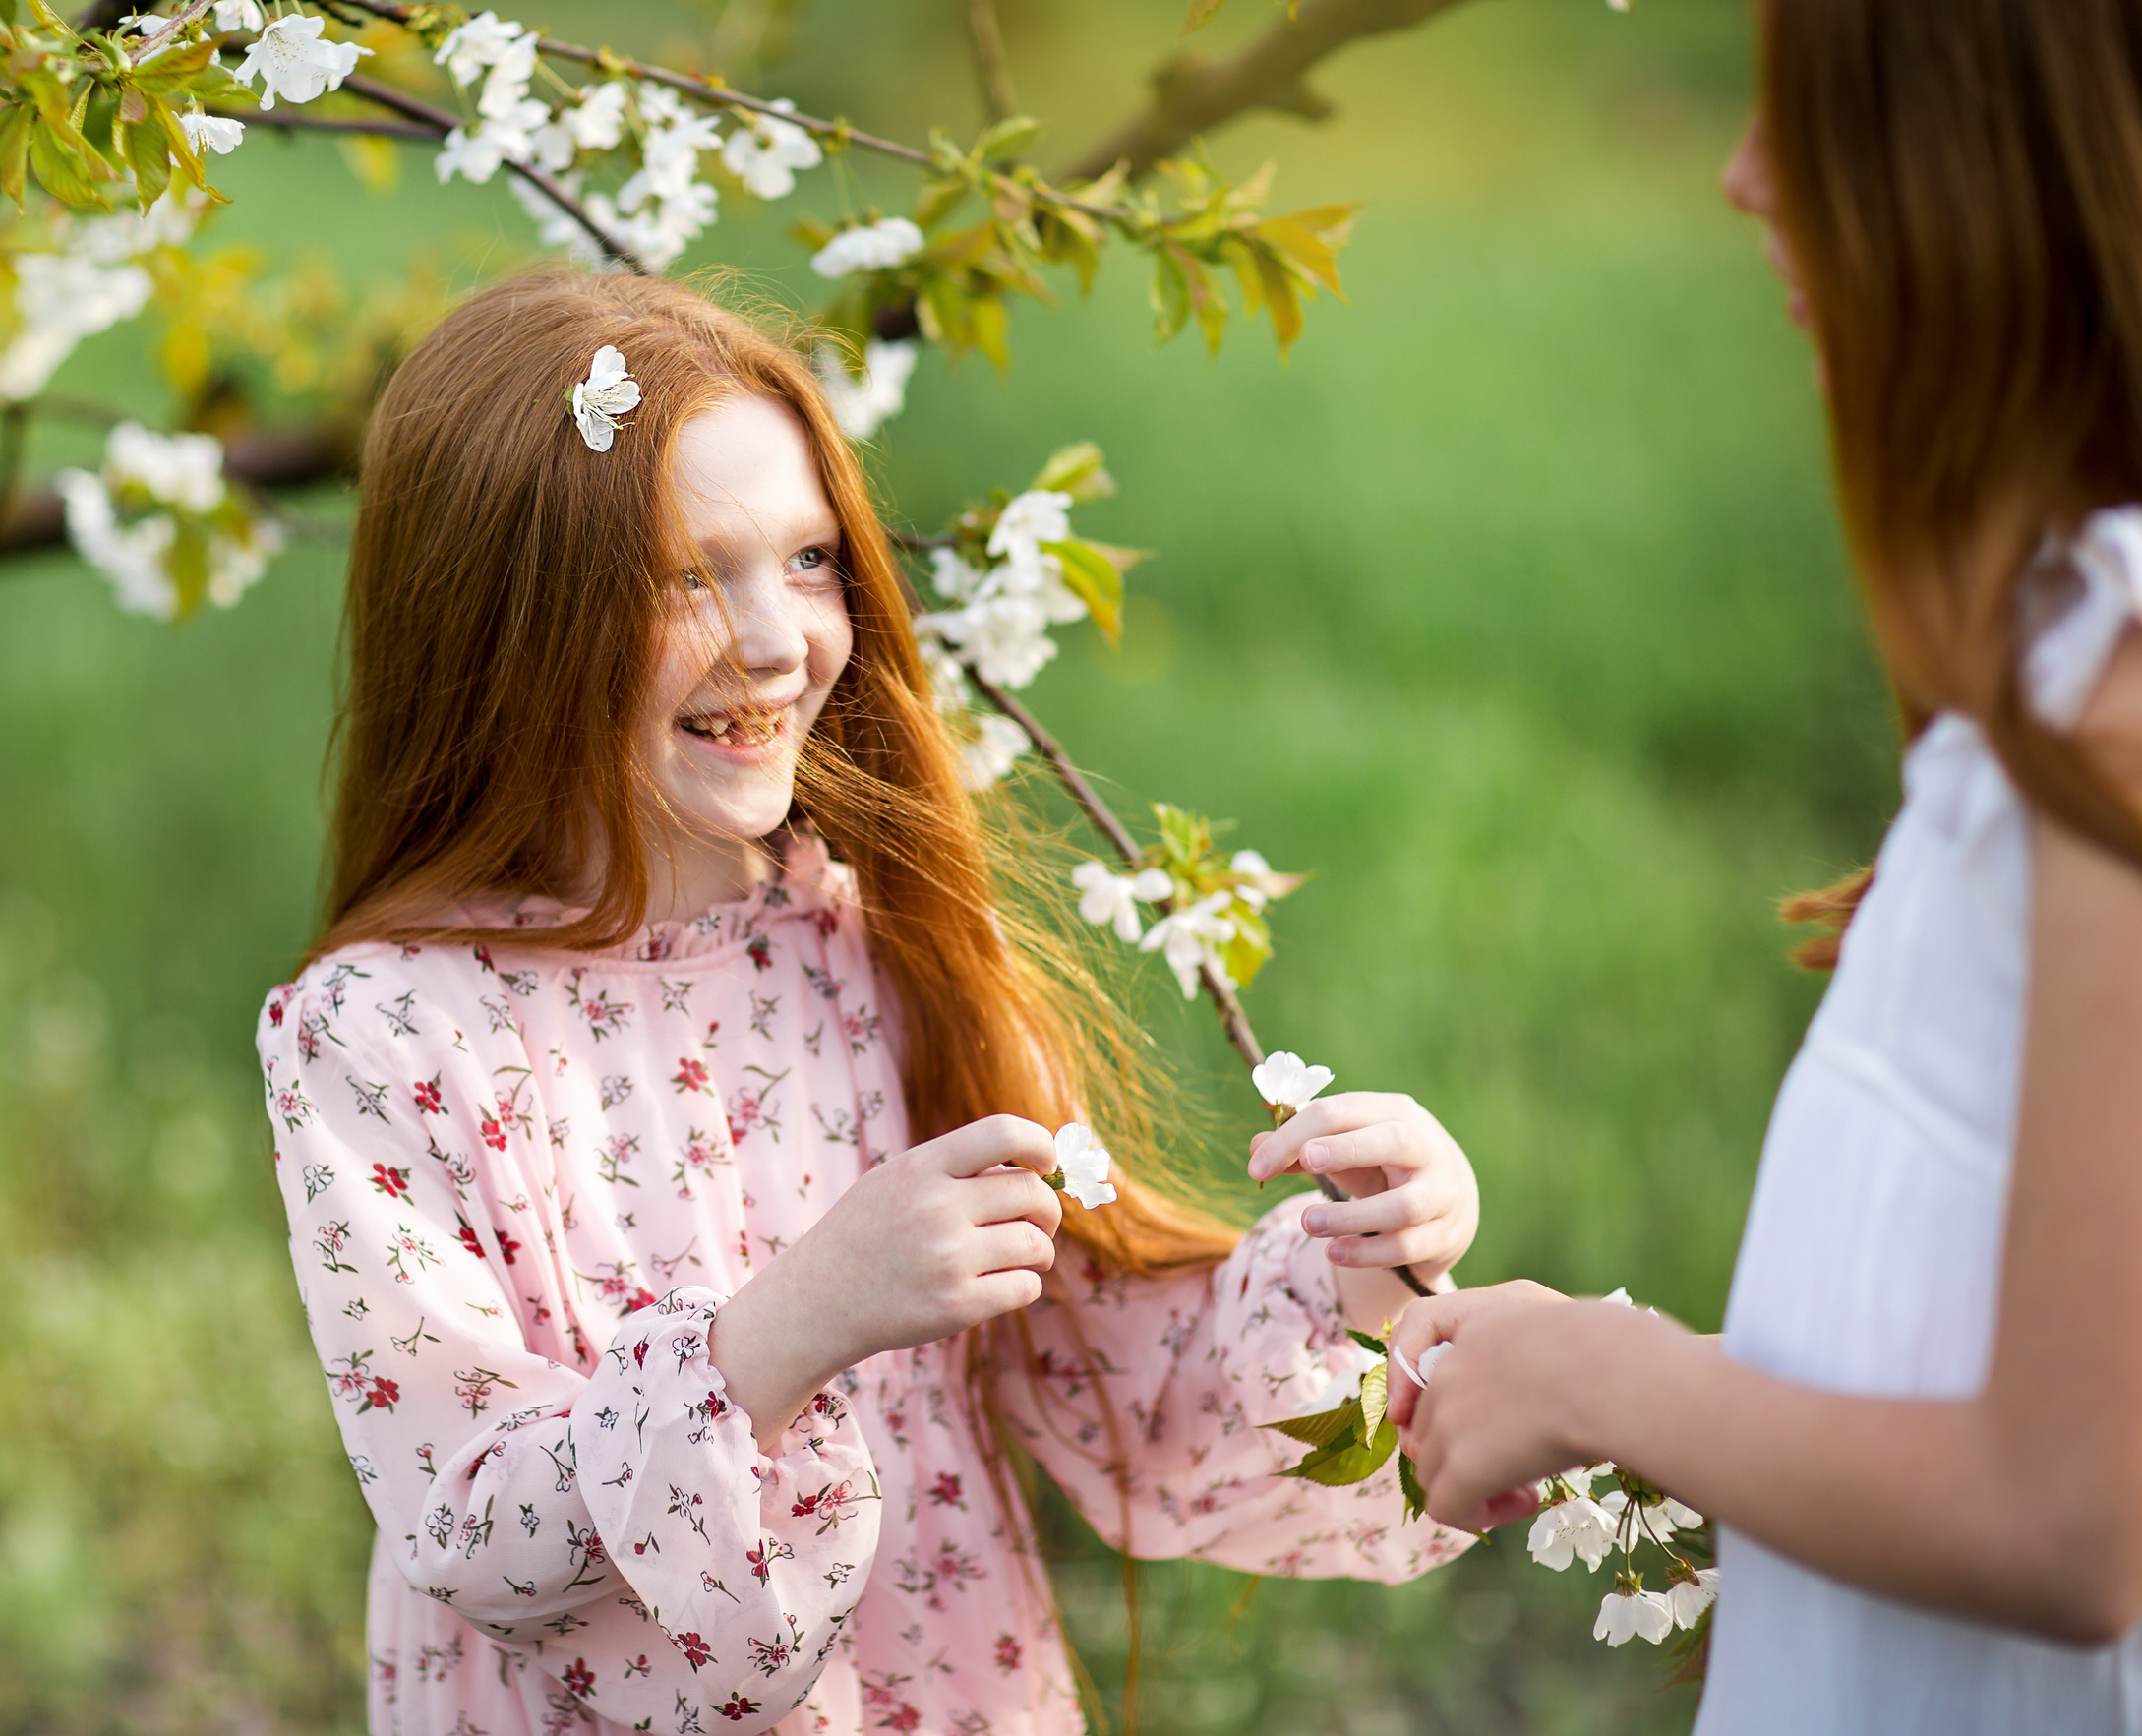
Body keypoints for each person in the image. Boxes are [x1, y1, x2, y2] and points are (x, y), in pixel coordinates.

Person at [255, 268, 1479, 1736]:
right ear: (507, 621)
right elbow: (472, 1521)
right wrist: (801, 1317)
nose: (777, 640)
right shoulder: (385, 1032)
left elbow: (1107, 1385)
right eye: (685, 576)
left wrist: (1358, 1270)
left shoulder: (877, 940)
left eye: (812, 558)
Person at [1384, 2, 2142, 1730]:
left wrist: (1609, 1373)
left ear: (1998, 164)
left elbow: (2074, 1519)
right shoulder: (2037, 698)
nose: (1740, 178)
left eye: (1815, 118)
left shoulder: (2112, 728)